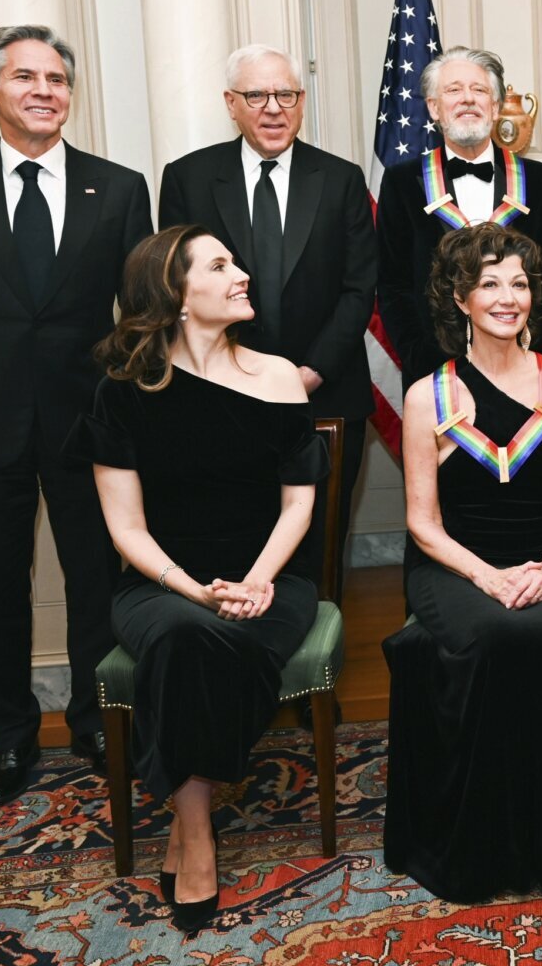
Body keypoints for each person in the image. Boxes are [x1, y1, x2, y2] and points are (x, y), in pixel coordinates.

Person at [0, 24, 152, 805]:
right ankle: (10, 736)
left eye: (57, 79)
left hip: (92, 428)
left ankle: (95, 722)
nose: (45, 91)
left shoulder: (118, 187)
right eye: (26, 77)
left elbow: (142, 316)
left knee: (98, 582)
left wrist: (139, 417)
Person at [67, 225, 326, 934]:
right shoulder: (123, 392)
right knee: (188, 634)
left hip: (273, 576)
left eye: (235, 262)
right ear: (176, 294)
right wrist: (196, 589)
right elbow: (126, 529)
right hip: (160, 584)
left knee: (211, 640)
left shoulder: (278, 375)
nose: (241, 274)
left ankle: (188, 828)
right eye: (219, 265)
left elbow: (298, 505)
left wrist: (257, 581)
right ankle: (198, 828)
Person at [382, 223, 542, 901]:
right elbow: (422, 522)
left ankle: (526, 847)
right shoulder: (427, 396)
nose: (508, 297)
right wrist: (486, 575)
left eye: (520, 284)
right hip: (452, 567)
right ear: (460, 299)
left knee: (535, 632)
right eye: (490, 284)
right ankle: (471, 842)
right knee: (496, 631)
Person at [157, 45, 377, 601]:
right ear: (231, 103)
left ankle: (317, 647)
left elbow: (359, 289)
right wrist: (237, 376)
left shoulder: (342, 178)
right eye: (256, 95)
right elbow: (177, 289)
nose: (273, 108)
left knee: (320, 548)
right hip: (219, 397)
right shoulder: (188, 178)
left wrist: (308, 373)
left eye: (286, 94)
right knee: (236, 539)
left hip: (326, 394)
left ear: (301, 101)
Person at [377, 45, 542, 386]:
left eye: (479, 90)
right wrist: (426, 363)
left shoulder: (538, 180)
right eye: (453, 90)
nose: (468, 99)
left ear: (495, 106)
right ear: (434, 107)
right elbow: (392, 285)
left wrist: (528, 357)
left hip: (524, 372)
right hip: (433, 375)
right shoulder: (401, 183)